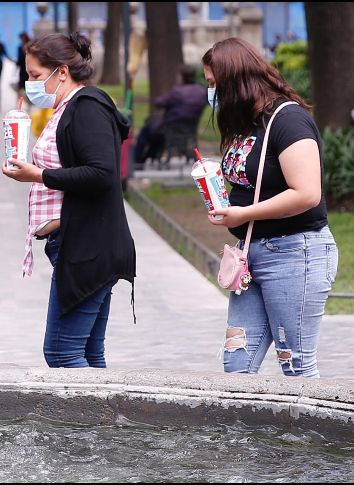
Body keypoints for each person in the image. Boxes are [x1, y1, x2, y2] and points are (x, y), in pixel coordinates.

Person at [202, 38, 338, 377]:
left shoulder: (287, 120)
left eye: (213, 84)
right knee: (237, 363)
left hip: (295, 253)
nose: (211, 93)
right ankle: (243, 433)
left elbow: (307, 193)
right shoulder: (247, 123)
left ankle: (308, 432)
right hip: (251, 255)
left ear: (234, 81)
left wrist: (243, 213)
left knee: (294, 363)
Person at [2, 33, 135, 368]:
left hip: (87, 246)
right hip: (78, 244)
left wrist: (39, 175)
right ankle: (104, 421)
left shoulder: (86, 107)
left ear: (61, 72)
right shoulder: (66, 109)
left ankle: (90, 423)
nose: (29, 83)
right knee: (87, 352)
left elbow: (102, 173)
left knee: (62, 352)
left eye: (34, 75)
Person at [137, 64, 207, 166]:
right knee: (155, 130)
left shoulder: (177, 92)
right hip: (190, 128)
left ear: (182, 77)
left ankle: (137, 162)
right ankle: (147, 158)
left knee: (147, 131)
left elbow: (159, 102)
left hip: (170, 128)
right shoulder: (201, 91)